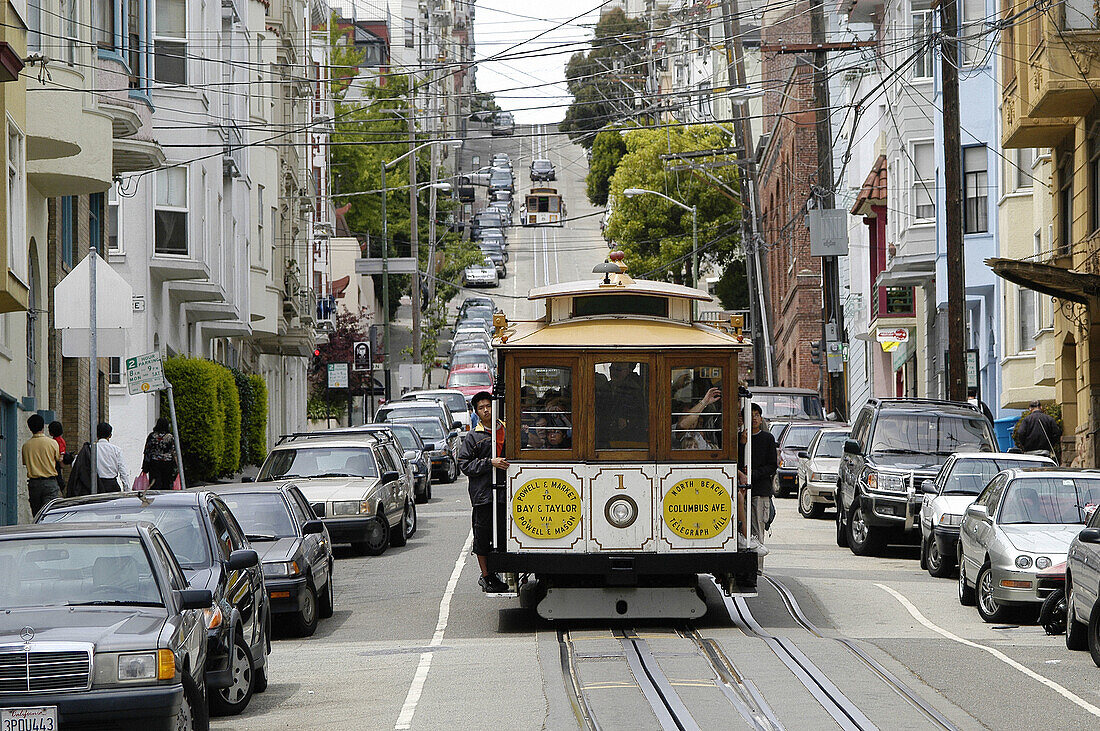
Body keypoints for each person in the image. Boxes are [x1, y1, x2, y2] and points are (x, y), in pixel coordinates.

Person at [457, 391, 509, 593]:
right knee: (482, 535)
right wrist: (490, 463)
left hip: (506, 493)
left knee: (504, 532)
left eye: (488, 406)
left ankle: (503, 571)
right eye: (481, 408)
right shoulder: (473, 436)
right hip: (483, 495)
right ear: (476, 412)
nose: (486, 410)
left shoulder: (507, 429)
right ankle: (486, 576)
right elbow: (464, 464)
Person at [738, 403, 775, 554]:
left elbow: (772, 466)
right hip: (742, 490)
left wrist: (753, 474)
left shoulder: (768, 438)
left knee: (757, 530)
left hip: (760, 491)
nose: (753, 419)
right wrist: (742, 444)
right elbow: (736, 462)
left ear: (761, 419)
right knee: (741, 529)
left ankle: (757, 568)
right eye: (750, 416)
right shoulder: (740, 438)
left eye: (756, 415)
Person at [22, 414, 62, 515]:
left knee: (37, 514)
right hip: (50, 482)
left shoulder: (26, 446)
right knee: (50, 513)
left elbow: (25, 463)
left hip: (34, 483)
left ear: (30, 428)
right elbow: (58, 460)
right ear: (43, 427)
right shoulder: (52, 443)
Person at [142, 418, 178, 490]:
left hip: (154, 463)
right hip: (167, 464)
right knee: (166, 484)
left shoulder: (152, 436)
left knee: (155, 484)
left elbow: (147, 451)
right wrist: (177, 466)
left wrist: (145, 466)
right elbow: (174, 452)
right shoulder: (170, 437)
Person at [95, 422, 130, 493]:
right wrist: (127, 490)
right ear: (110, 435)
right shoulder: (116, 450)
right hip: (112, 485)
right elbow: (123, 471)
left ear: (96, 434)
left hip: (96, 485)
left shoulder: (90, 449)